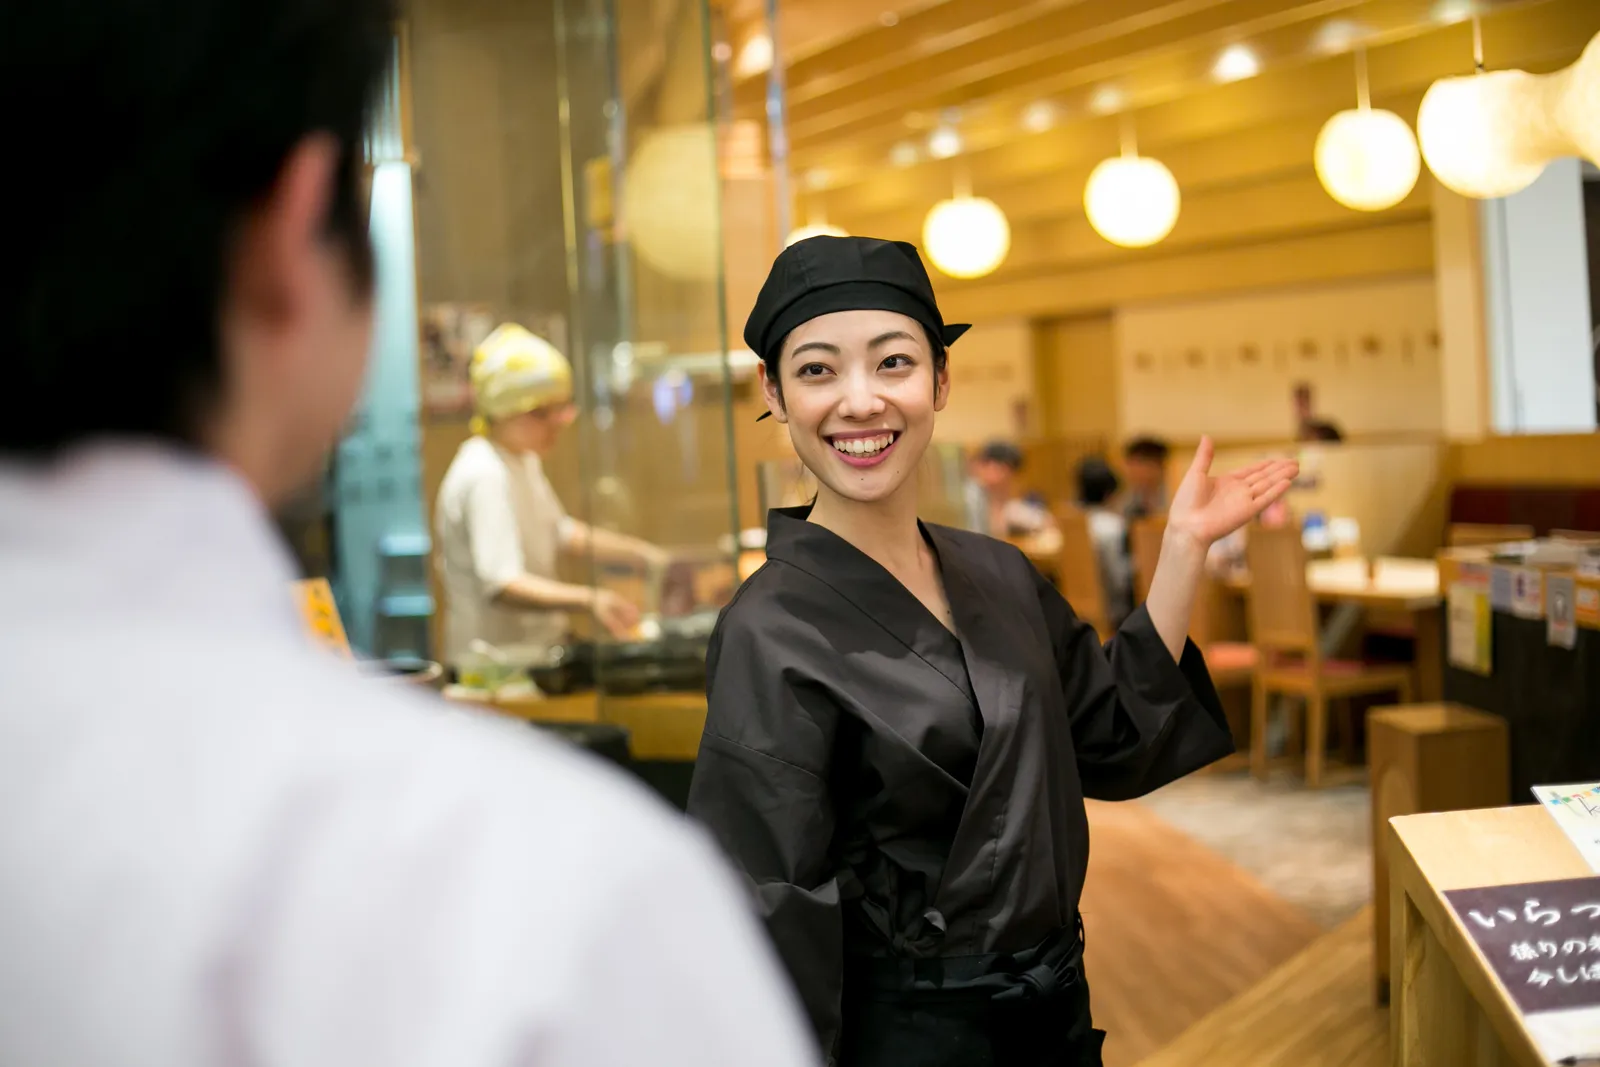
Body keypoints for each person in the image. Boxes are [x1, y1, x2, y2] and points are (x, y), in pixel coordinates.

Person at [0, 4, 819, 1066]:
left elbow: (565, 532)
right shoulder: (542, 894)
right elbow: (516, 573)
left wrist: (644, 560)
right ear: (293, 226)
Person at [686, 235, 1298, 1067]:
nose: (860, 401)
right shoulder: (769, 629)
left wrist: (1184, 547)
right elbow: (766, 908)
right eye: (819, 370)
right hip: (906, 1041)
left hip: (1054, 1016)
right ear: (776, 391)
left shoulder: (998, 572)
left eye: (893, 363)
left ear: (940, 379)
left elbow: (1112, 734)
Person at [434, 322, 664, 674]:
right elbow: (502, 583)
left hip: (530, 658)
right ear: (501, 411)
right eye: (541, 412)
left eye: (560, 409)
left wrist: (643, 555)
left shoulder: (521, 460)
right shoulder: (485, 474)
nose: (557, 423)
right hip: (495, 668)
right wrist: (591, 599)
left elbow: (559, 532)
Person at [1075, 457, 1133, 629]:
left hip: (1075, 609)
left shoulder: (1072, 523)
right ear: (1109, 494)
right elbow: (1120, 581)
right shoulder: (1112, 527)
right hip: (1112, 614)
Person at [964, 439, 1054, 537]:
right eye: (1004, 470)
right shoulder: (970, 495)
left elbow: (1045, 520)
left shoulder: (997, 496)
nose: (1009, 479)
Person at [1120, 435, 1171, 521]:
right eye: (1130, 465)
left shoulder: (1173, 500)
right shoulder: (1121, 499)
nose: (1132, 472)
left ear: (1160, 468)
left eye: (1140, 465)